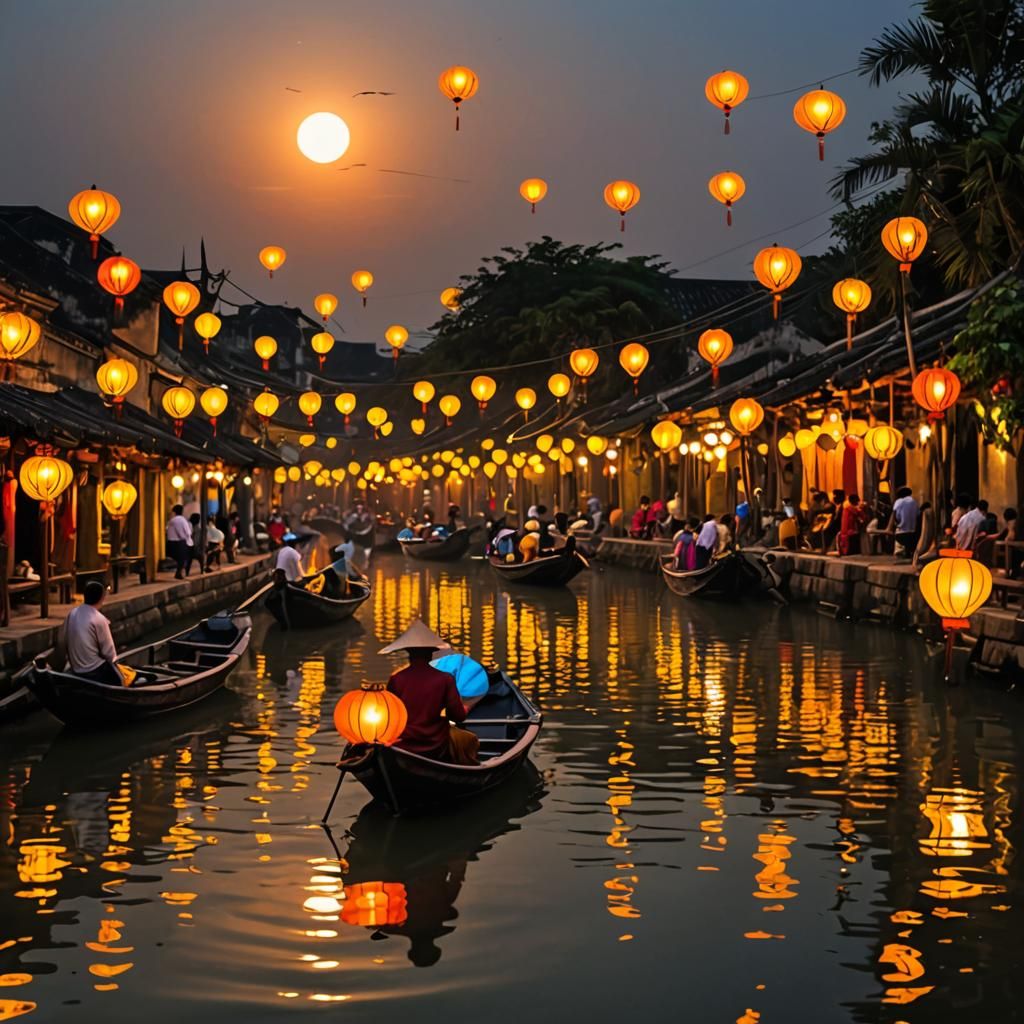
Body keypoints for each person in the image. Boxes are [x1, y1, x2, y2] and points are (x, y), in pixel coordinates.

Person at [380, 620, 478, 765]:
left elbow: (388, 717)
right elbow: (458, 716)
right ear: (431, 654)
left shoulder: (396, 679)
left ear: (409, 653)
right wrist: (465, 708)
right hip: (436, 742)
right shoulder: (445, 679)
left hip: (402, 743)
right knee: (470, 740)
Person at [64, 580, 120, 684]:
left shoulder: (72, 613)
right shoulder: (99, 619)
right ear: (101, 598)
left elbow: (66, 641)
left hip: (75, 667)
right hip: (93, 670)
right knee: (120, 676)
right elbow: (109, 652)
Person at [888, 486, 919, 558]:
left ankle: (897, 551)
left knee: (896, 535)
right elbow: (918, 515)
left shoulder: (898, 502)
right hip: (913, 533)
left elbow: (896, 516)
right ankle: (908, 552)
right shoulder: (914, 502)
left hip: (901, 533)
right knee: (909, 542)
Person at [166, 504, 192, 580]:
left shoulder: (173, 520)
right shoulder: (182, 520)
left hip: (172, 541)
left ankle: (179, 572)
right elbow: (187, 532)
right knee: (182, 558)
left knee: (180, 558)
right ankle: (178, 572)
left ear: (174, 512)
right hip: (179, 542)